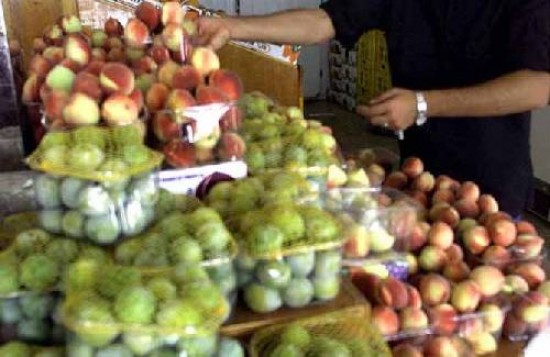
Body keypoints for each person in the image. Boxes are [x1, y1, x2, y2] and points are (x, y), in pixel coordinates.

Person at [196, 1, 550, 217]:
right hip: (417, 181)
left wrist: (424, 104)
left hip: (492, 190)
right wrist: (234, 26)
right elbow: (325, 21)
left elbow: (538, 86)